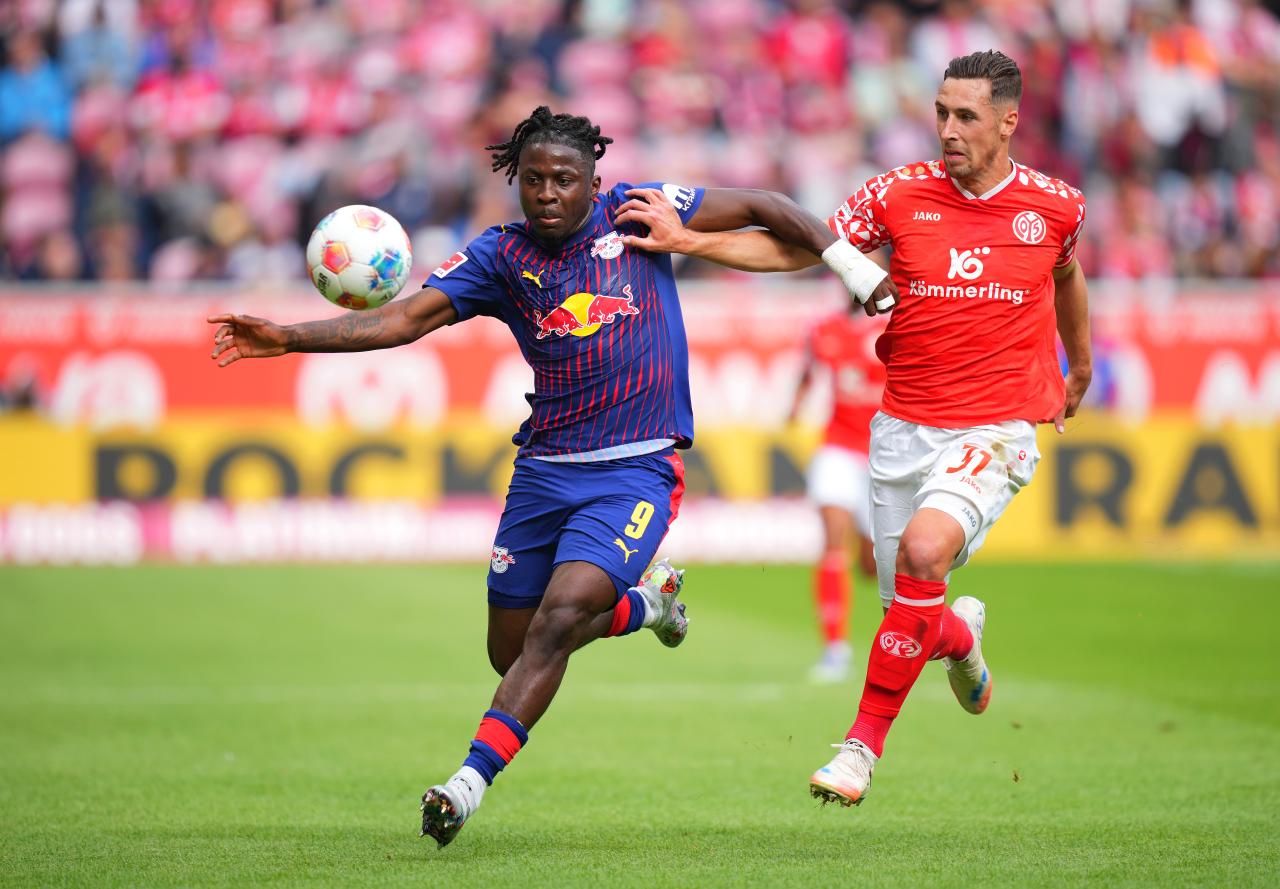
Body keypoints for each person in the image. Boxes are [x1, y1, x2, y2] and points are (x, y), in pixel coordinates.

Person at [207, 107, 882, 846]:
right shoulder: (500, 255)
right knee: (514, 650)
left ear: (594, 180)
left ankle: (466, 784)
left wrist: (848, 263)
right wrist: (287, 337)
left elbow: (765, 205)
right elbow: (406, 320)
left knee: (558, 621)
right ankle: (647, 607)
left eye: (564, 179)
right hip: (543, 471)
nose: (548, 193)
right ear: (517, 182)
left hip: (636, 467)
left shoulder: (639, 212)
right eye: (534, 180)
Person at [614, 50, 1091, 808]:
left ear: (1008, 122)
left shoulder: (1055, 205)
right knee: (910, 612)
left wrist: (1080, 364)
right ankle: (960, 639)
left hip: (996, 425)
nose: (948, 129)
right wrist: (690, 242)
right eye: (941, 112)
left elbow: (1065, 273)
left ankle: (859, 749)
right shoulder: (897, 194)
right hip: (903, 428)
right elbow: (796, 249)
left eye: (966, 116)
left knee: (926, 553)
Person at [789, 307, 886, 683]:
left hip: (884, 453)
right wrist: (796, 405)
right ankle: (834, 650)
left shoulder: (893, 324)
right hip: (838, 448)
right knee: (832, 542)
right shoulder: (823, 328)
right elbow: (807, 370)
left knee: (873, 565)